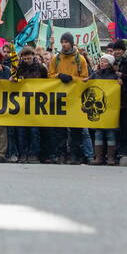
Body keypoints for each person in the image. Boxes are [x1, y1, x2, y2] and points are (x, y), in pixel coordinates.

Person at [49, 32, 92, 164]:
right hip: (60, 98)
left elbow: (84, 78)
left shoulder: (81, 59)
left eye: (66, 41)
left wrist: (71, 79)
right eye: (62, 42)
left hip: (75, 98)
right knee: (60, 128)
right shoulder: (56, 59)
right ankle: (62, 154)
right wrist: (59, 76)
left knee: (76, 128)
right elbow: (49, 76)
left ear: (71, 43)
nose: (64, 44)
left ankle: (75, 155)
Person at [15, 46, 51, 163]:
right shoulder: (19, 68)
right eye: (24, 57)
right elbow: (16, 82)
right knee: (22, 132)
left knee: (34, 131)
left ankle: (33, 154)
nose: (26, 58)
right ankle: (23, 154)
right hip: (22, 105)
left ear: (33, 55)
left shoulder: (41, 68)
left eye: (28, 56)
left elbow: (47, 84)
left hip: (36, 105)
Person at [87, 53, 119, 165]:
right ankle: (99, 157)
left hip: (110, 109)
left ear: (110, 64)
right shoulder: (95, 74)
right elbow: (88, 82)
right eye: (101, 61)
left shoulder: (115, 76)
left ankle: (111, 158)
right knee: (98, 133)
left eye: (105, 61)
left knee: (110, 133)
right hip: (97, 109)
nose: (102, 63)